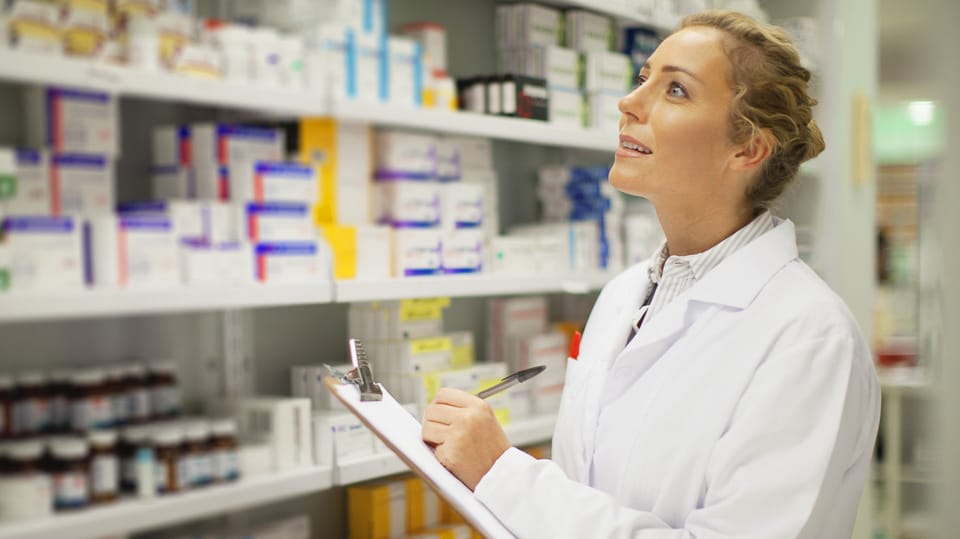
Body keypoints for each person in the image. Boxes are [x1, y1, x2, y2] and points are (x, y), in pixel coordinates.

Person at [422, 9, 881, 538]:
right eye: (643, 79)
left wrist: (503, 475)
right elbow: (585, 492)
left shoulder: (810, 338)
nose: (628, 102)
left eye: (676, 91)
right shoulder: (623, 297)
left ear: (748, 148)